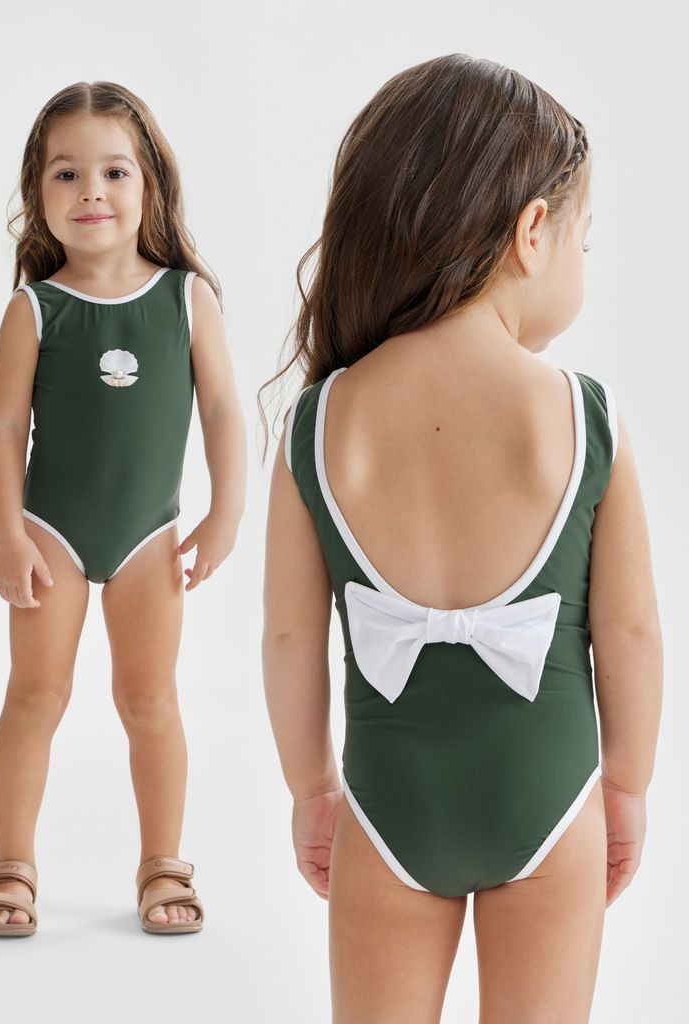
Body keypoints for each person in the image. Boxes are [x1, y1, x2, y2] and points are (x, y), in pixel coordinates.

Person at [261, 54, 662, 1022]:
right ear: (532, 233)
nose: (582, 261)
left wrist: (312, 787)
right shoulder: (580, 417)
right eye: (583, 241)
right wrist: (627, 785)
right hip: (550, 805)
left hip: (388, 813)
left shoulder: (323, 420)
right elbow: (633, 632)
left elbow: (287, 637)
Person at [0, 81, 246, 936]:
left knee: (150, 701)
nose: (91, 190)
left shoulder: (186, 299)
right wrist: (6, 533)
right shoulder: (34, 309)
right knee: (34, 696)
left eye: (114, 171)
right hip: (49, 535)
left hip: (149, 539)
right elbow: (3, 428)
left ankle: (163, 864)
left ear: (149, 184)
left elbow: (224, 412)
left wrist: (226, 512)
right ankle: (12, 867)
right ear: (37, 192)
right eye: (66, 173)